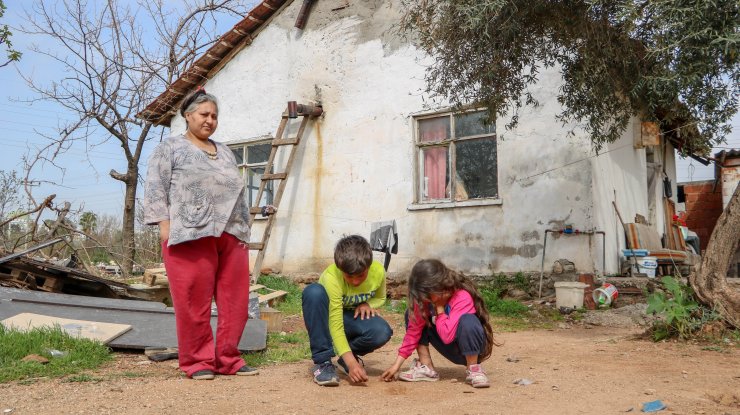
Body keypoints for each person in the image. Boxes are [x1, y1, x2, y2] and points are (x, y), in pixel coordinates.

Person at [143, 88, 257, 380]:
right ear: (187, 115)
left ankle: (229, 358)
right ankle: (197, 361)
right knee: (193, 301)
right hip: (189, 233)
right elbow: (156, 185)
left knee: (236, 301)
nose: (210, 120)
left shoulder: (226, 151)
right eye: (204, 114)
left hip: (230, 232)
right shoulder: (169, 148)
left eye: (214, 116)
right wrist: (163, 225)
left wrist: (244, 229)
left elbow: (238, 192)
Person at [381, 259, 499, 388]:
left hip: (468, 348)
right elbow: (413, 333)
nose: (423, 298)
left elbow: (447, 336)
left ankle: (474, 370)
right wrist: (396, 366)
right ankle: (427, 368)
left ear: (437, 286)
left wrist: (440, 309)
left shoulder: (461, 296)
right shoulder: (425, 299)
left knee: (468, 320)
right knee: (412, 316)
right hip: (448, 344)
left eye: (425, 294)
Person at [302, 235, 393, 386]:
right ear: (340, 268)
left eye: (361, 275)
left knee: (381, 331)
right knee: (314, 292)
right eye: (349, 276)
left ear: (369, 267)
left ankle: (344, 357)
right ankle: (323, 362)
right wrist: (353, 363)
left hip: (350, 319)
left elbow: (381, 298)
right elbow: (335, 322)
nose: (355, 281)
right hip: (327, 319)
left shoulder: (378, 271)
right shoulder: (332, 277)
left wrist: (368, 304)